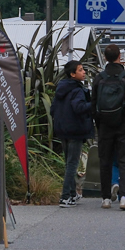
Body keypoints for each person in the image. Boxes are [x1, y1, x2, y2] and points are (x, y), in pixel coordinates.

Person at [91, 44, 125, 211]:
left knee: (105, 161)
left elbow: (93, 104)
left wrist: (98, 123)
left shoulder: (99, 78)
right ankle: (124, 198)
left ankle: (106, 198)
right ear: (119, 57)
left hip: (105, 125)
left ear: (105, 58)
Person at [52, 59, 94, 208]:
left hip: (62, 130)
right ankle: (65, 197)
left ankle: (71, 194)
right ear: (72, 74)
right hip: (75, 130)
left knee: (68, 163)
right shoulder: (77, 90)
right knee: (72, 164)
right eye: (81, 70)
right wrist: (93, 104)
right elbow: (79, 108)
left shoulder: (61, 89)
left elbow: (53, 109)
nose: (84, 72)